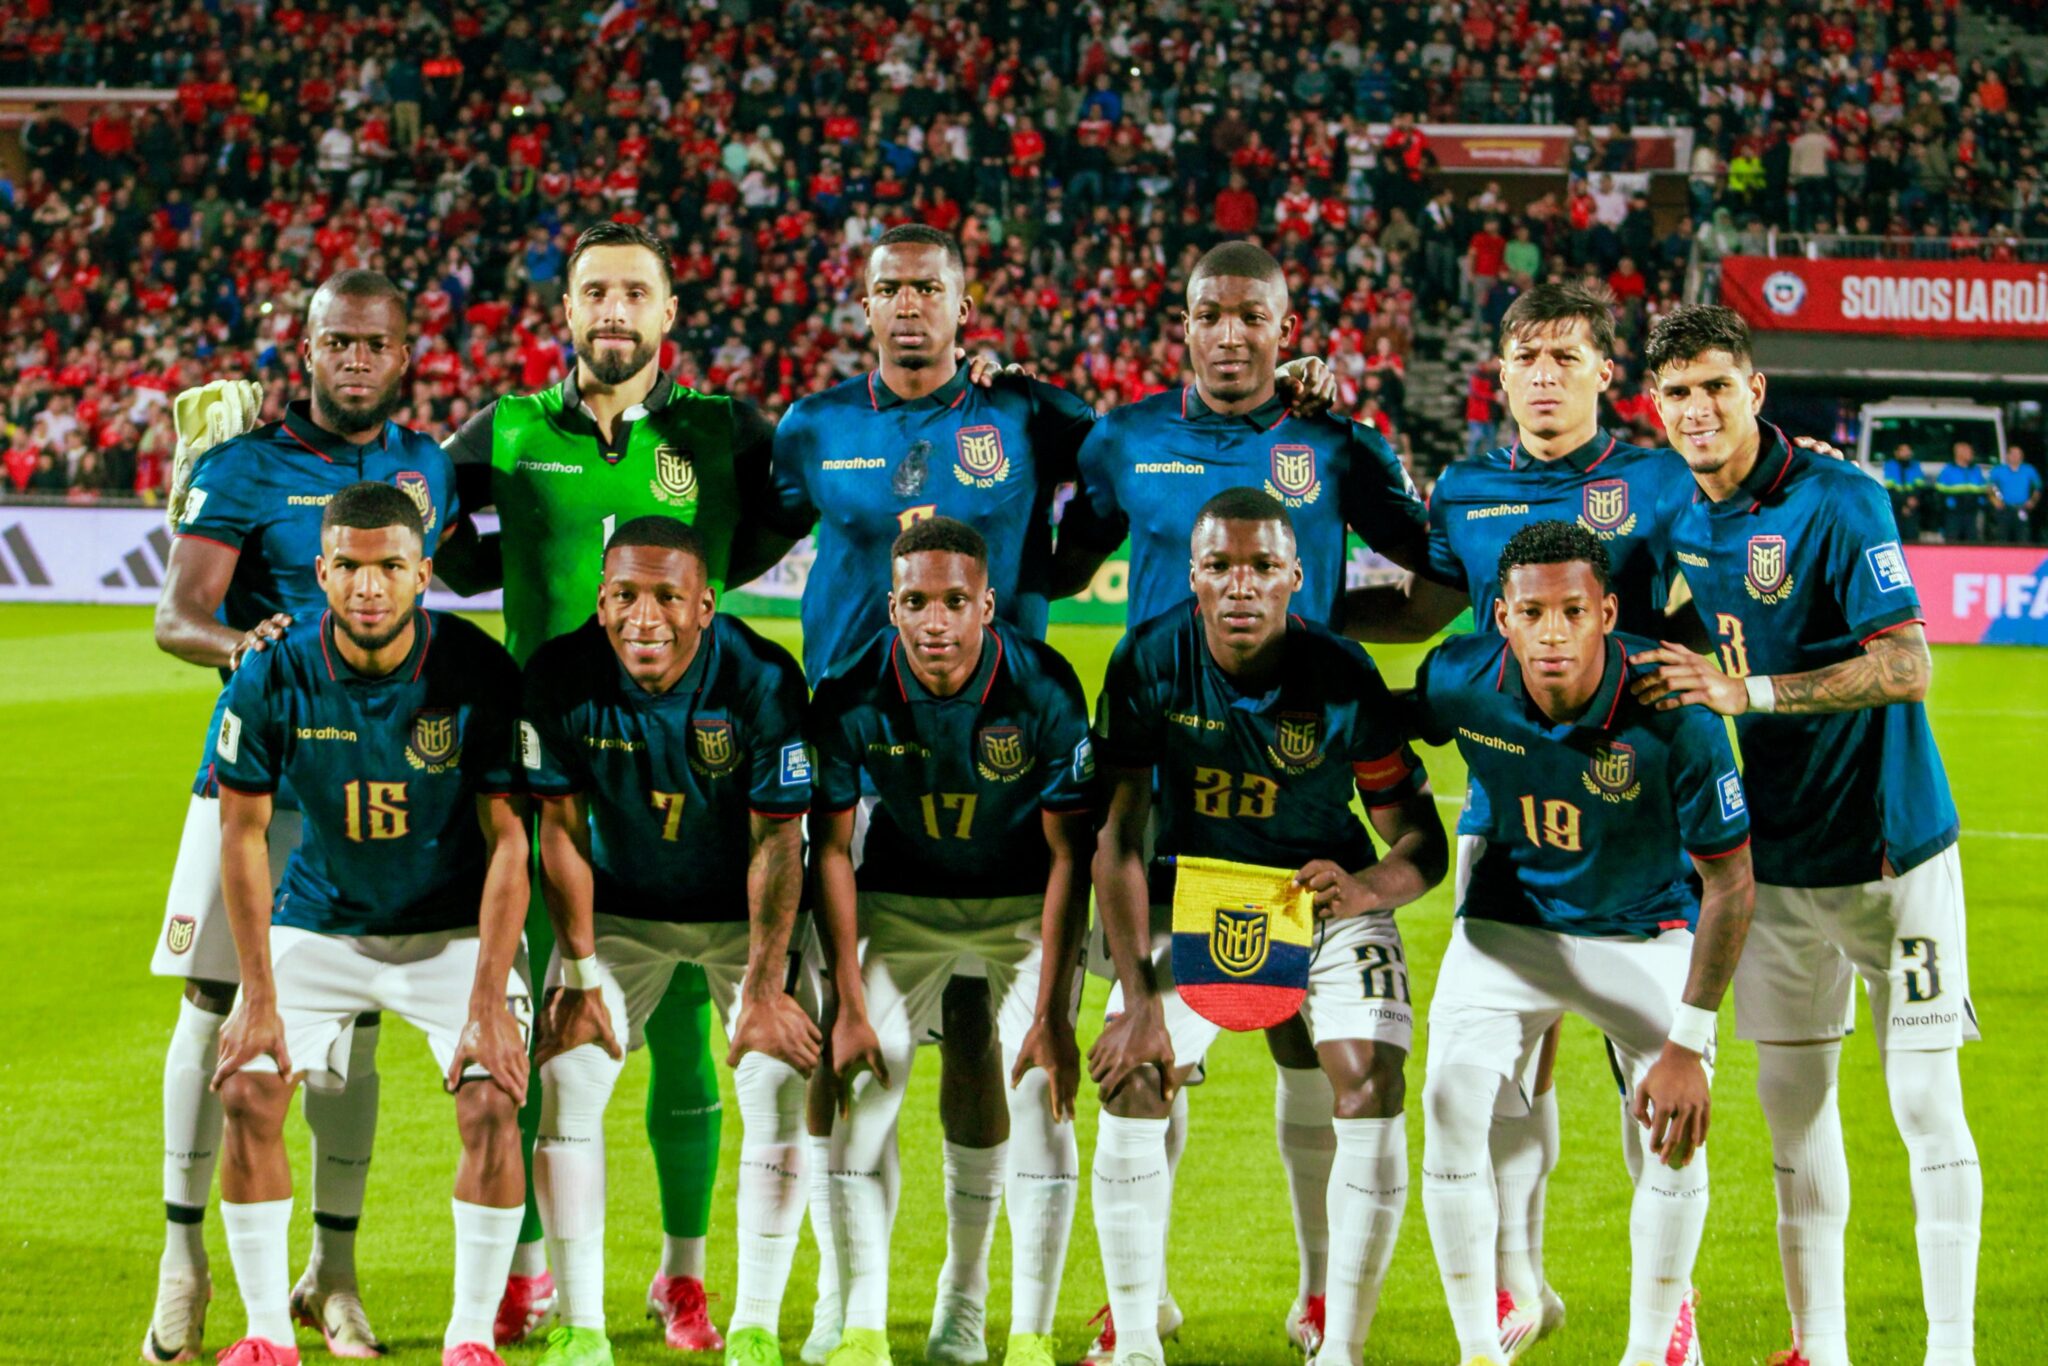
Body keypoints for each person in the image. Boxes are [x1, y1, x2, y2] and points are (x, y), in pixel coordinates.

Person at [761, 224, 1334, 1365]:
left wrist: (1295, 395)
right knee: (841, 1040)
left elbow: (1141, 444)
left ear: (965, 307)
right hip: (864, 756)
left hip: (1024, 752)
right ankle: (841, 1299)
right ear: (862, 304)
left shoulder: (1031, 414)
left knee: (1022, 1041)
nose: (909, 307)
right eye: (889, 289)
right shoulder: (812, 426)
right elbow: (750, 529)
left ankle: (1000, 1302)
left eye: (929, 289)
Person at [1052, 240, 1430, 1362]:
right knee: (1142, 1052)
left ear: (1284, 329)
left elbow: (1441, 569)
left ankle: (1321, 1299)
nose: (1228, 335)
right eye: (1208, 314)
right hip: (1168, 804)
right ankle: (1138, 1308)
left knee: (1311, 1054)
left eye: (1249, 317)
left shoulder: (1334, 441)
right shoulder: (1122, 440)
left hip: (1299, 801)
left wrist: (1354, 651)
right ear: (1182, 323)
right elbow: (1052, 562)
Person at [1342, 279, 1704, 1362]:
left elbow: (1717, 594)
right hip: (1505, 818)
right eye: (1526, 359)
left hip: (1634, 815)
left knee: (1643, 1080)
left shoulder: (1657, 476)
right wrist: (1303, 610)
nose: (1544, 377)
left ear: (1606, 374)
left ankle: (1668, 1305)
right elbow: (1428, 611)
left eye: (1565, 358)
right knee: (1507, 1071)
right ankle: (1520, 1280)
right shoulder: (1466, 486)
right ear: (1498, 375)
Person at [438, 221, 785, 1348]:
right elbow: (421, 511)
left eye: (636, 291)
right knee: (549, 1028)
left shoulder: (720, 429)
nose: (614, 310)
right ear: (568, 309)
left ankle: (683, 1274)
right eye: (595, 291)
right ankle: (529, 1271)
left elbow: (806, 496)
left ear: (669, 312)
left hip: (681, 771)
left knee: (682, 1038)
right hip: (539, 772)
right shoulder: (507, 428)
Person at [1635, 305, 1978, 1366]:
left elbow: (1907, 665)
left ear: (1754, 390)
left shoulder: (1838, 497)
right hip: (1773, 864)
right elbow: (1674, 621)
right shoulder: (1673, 505)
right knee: (1792, 1115)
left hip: (1890, 852)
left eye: (1715, 386)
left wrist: (1746, 691)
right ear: (1655, 406)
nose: (1697, 409)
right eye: (1677, 392)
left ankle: (1952, 1350)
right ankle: (1817, 1347)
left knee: (1924, 1101)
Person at [145, 271, 459, 1361]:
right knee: (212, 1009)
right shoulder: (243, 465)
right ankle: (181, 1265)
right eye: (336, 343)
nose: (354, 360)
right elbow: (177, 616)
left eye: (374, 343)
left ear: (405, 353)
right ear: (308, 349)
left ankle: (334, 1272)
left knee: (352, 1030)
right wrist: (248, 647)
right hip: (250, 779)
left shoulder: (425, 467)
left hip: (372, 788)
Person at [1088, 488, 1448, 1366]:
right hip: (1193, 893)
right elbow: (1118, 837)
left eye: (1261, 567)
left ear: (1297, 576)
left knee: (1370, 1084)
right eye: (1220, 566)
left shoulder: (1342, 674)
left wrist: (1364, 888)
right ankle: (1136, 1334)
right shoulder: (1148, 658)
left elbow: (1421, 842)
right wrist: (1137, 999)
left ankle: (1336, 1334)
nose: (1240, 585)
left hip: (1320, 897)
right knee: (1133, 1075)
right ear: (1193, 575)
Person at [1406, 520, 1754, 1366]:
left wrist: (1688, 1045)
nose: (1552, 633)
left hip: (1643, 932)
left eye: (1572, 611)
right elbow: (1371, 732)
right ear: (1502, 618)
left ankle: (1654, 1347)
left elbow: (1732, 884)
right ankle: (1479, 1352)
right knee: (1450, 1103)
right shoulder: (1458, 677)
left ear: (1607, 613)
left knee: (1675, 1130)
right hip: (1509, 927)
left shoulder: (1676, 712)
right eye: (1532, 614)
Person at [206, 482, 531, 1366]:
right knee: (247, 1089)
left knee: (494, 1099)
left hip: (451, 929)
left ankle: (471, 1339)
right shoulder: (273, 672)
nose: (369, 586)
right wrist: (257, 996)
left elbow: (511, 842)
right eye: (349, 567)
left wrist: (489, 1001)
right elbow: (242, 837)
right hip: (322, 921)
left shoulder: (476, 670)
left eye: (391, 566)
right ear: (321, 572)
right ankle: (268, 1333)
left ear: (424, 574)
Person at [521, 516, 817, 1366]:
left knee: (779, 1080)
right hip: (621, 916)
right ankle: (581, 1326)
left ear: (706, 606)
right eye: (624, 596)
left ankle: (755, 1325)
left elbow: (779, 840)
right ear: (600, 601)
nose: (643, 617)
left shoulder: (761, 677)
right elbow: (559, 831)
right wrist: (580, 973)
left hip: (741, 919)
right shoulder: (561, 674)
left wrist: (766, 987)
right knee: (566, 1081)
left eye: (667, 597)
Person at [806, 517, 1096, 1366]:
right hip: (902, 899)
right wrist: (847, 1004)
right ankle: (857, 1321)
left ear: (988, 606)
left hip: (1021, 904)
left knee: (1040, 1092)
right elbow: (829, 849)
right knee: (863, 1076)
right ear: (890, 606)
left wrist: (1052, 1013)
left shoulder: (1043, 687)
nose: (935, 622)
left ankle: (1008, 1324)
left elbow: (1070, 855)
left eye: (955, 603)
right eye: (916, 603)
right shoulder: (850, 690)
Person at [1933, 441, 1990, 543]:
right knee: (1952, 540)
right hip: (1953, 514)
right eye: (1969, 452)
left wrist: (1980, 503)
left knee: (1973, 541)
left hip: (1972, 513)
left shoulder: (1975, 470)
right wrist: (1949, 505)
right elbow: (1939, 491)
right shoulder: (1948, 470)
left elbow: (1982, 489)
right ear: (1959, 453)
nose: (1972, 454)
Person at [1987, 443, 2041, 544]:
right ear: (2007, 456)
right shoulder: (1998, 470)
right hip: (2004, 509)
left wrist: (2032, 501)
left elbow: (2038, 488)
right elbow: (1989, 487)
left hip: (2022, 508)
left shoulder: (2029, 470)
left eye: (2018, 454)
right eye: (2013, 454)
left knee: (2023, 537)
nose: (2015, 456)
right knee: (2001, 538)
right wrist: (1995, 500)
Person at [1880, 443, 1930, 542]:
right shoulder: (1890, 466)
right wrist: (1903, 504)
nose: (1906, 453)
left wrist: (1912, 501)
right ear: (1896, 453)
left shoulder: (1915, 466)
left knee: (1912, 535)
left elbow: (1919, 486)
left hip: (1913, 506)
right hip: (1896, 506)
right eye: (1903, 450)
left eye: (1908, 450)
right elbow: (1891, 488)